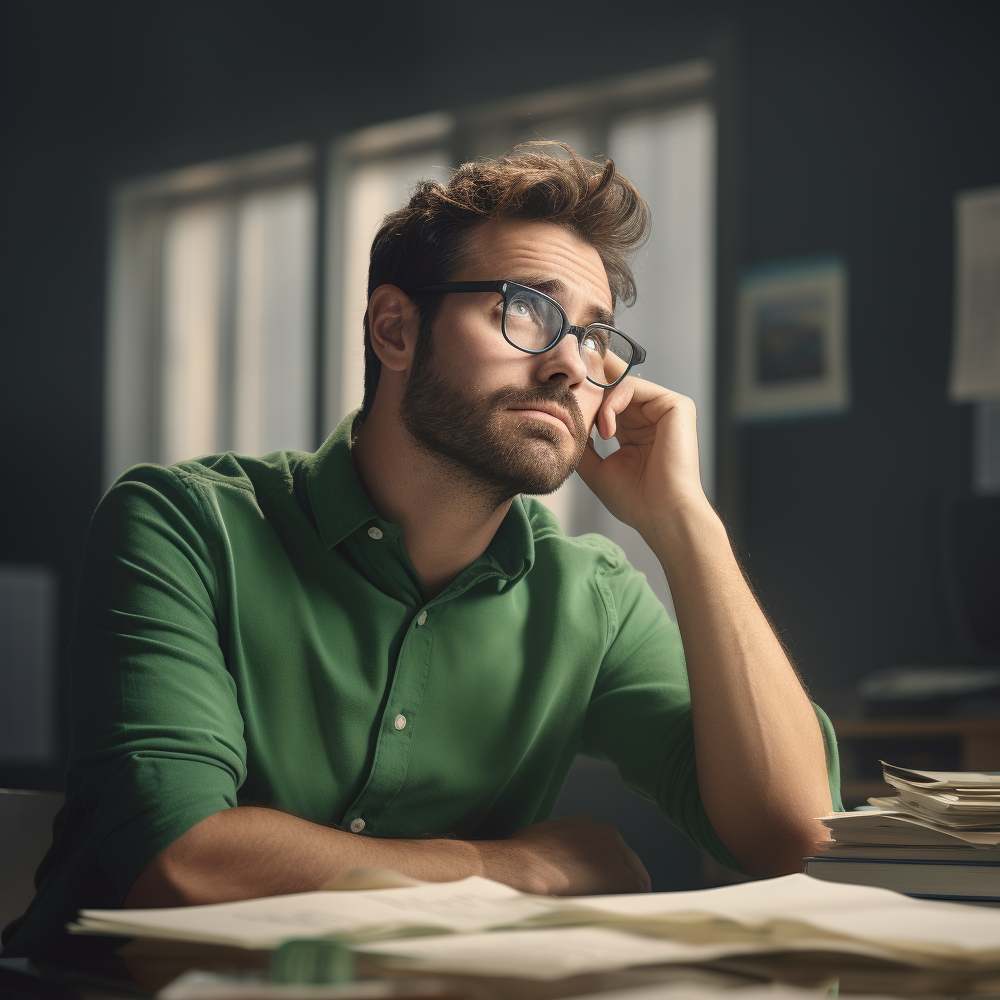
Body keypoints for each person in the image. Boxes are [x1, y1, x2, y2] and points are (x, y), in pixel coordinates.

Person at [3, 143, 841, 958]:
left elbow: (795, 837)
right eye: (526, 309)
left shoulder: (592, 595)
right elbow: (178, 865)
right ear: (395, 330)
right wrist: (511, 869)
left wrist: (686, 525)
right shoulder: (184, 524)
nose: (570, 368)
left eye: (595, 338)